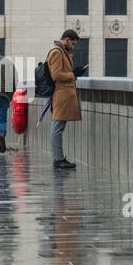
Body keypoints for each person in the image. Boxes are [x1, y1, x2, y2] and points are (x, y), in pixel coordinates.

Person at [46, 30, 83, 170]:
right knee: (57, 127)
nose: (74, 46)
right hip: (61, 94)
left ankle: (59, 158)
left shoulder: (62, 51)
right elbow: (56, 75)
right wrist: (73, 74)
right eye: (73, 43)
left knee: (58, 126)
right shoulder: (57, 52)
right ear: (67, 39)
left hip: (63, 94)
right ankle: (58, 159)